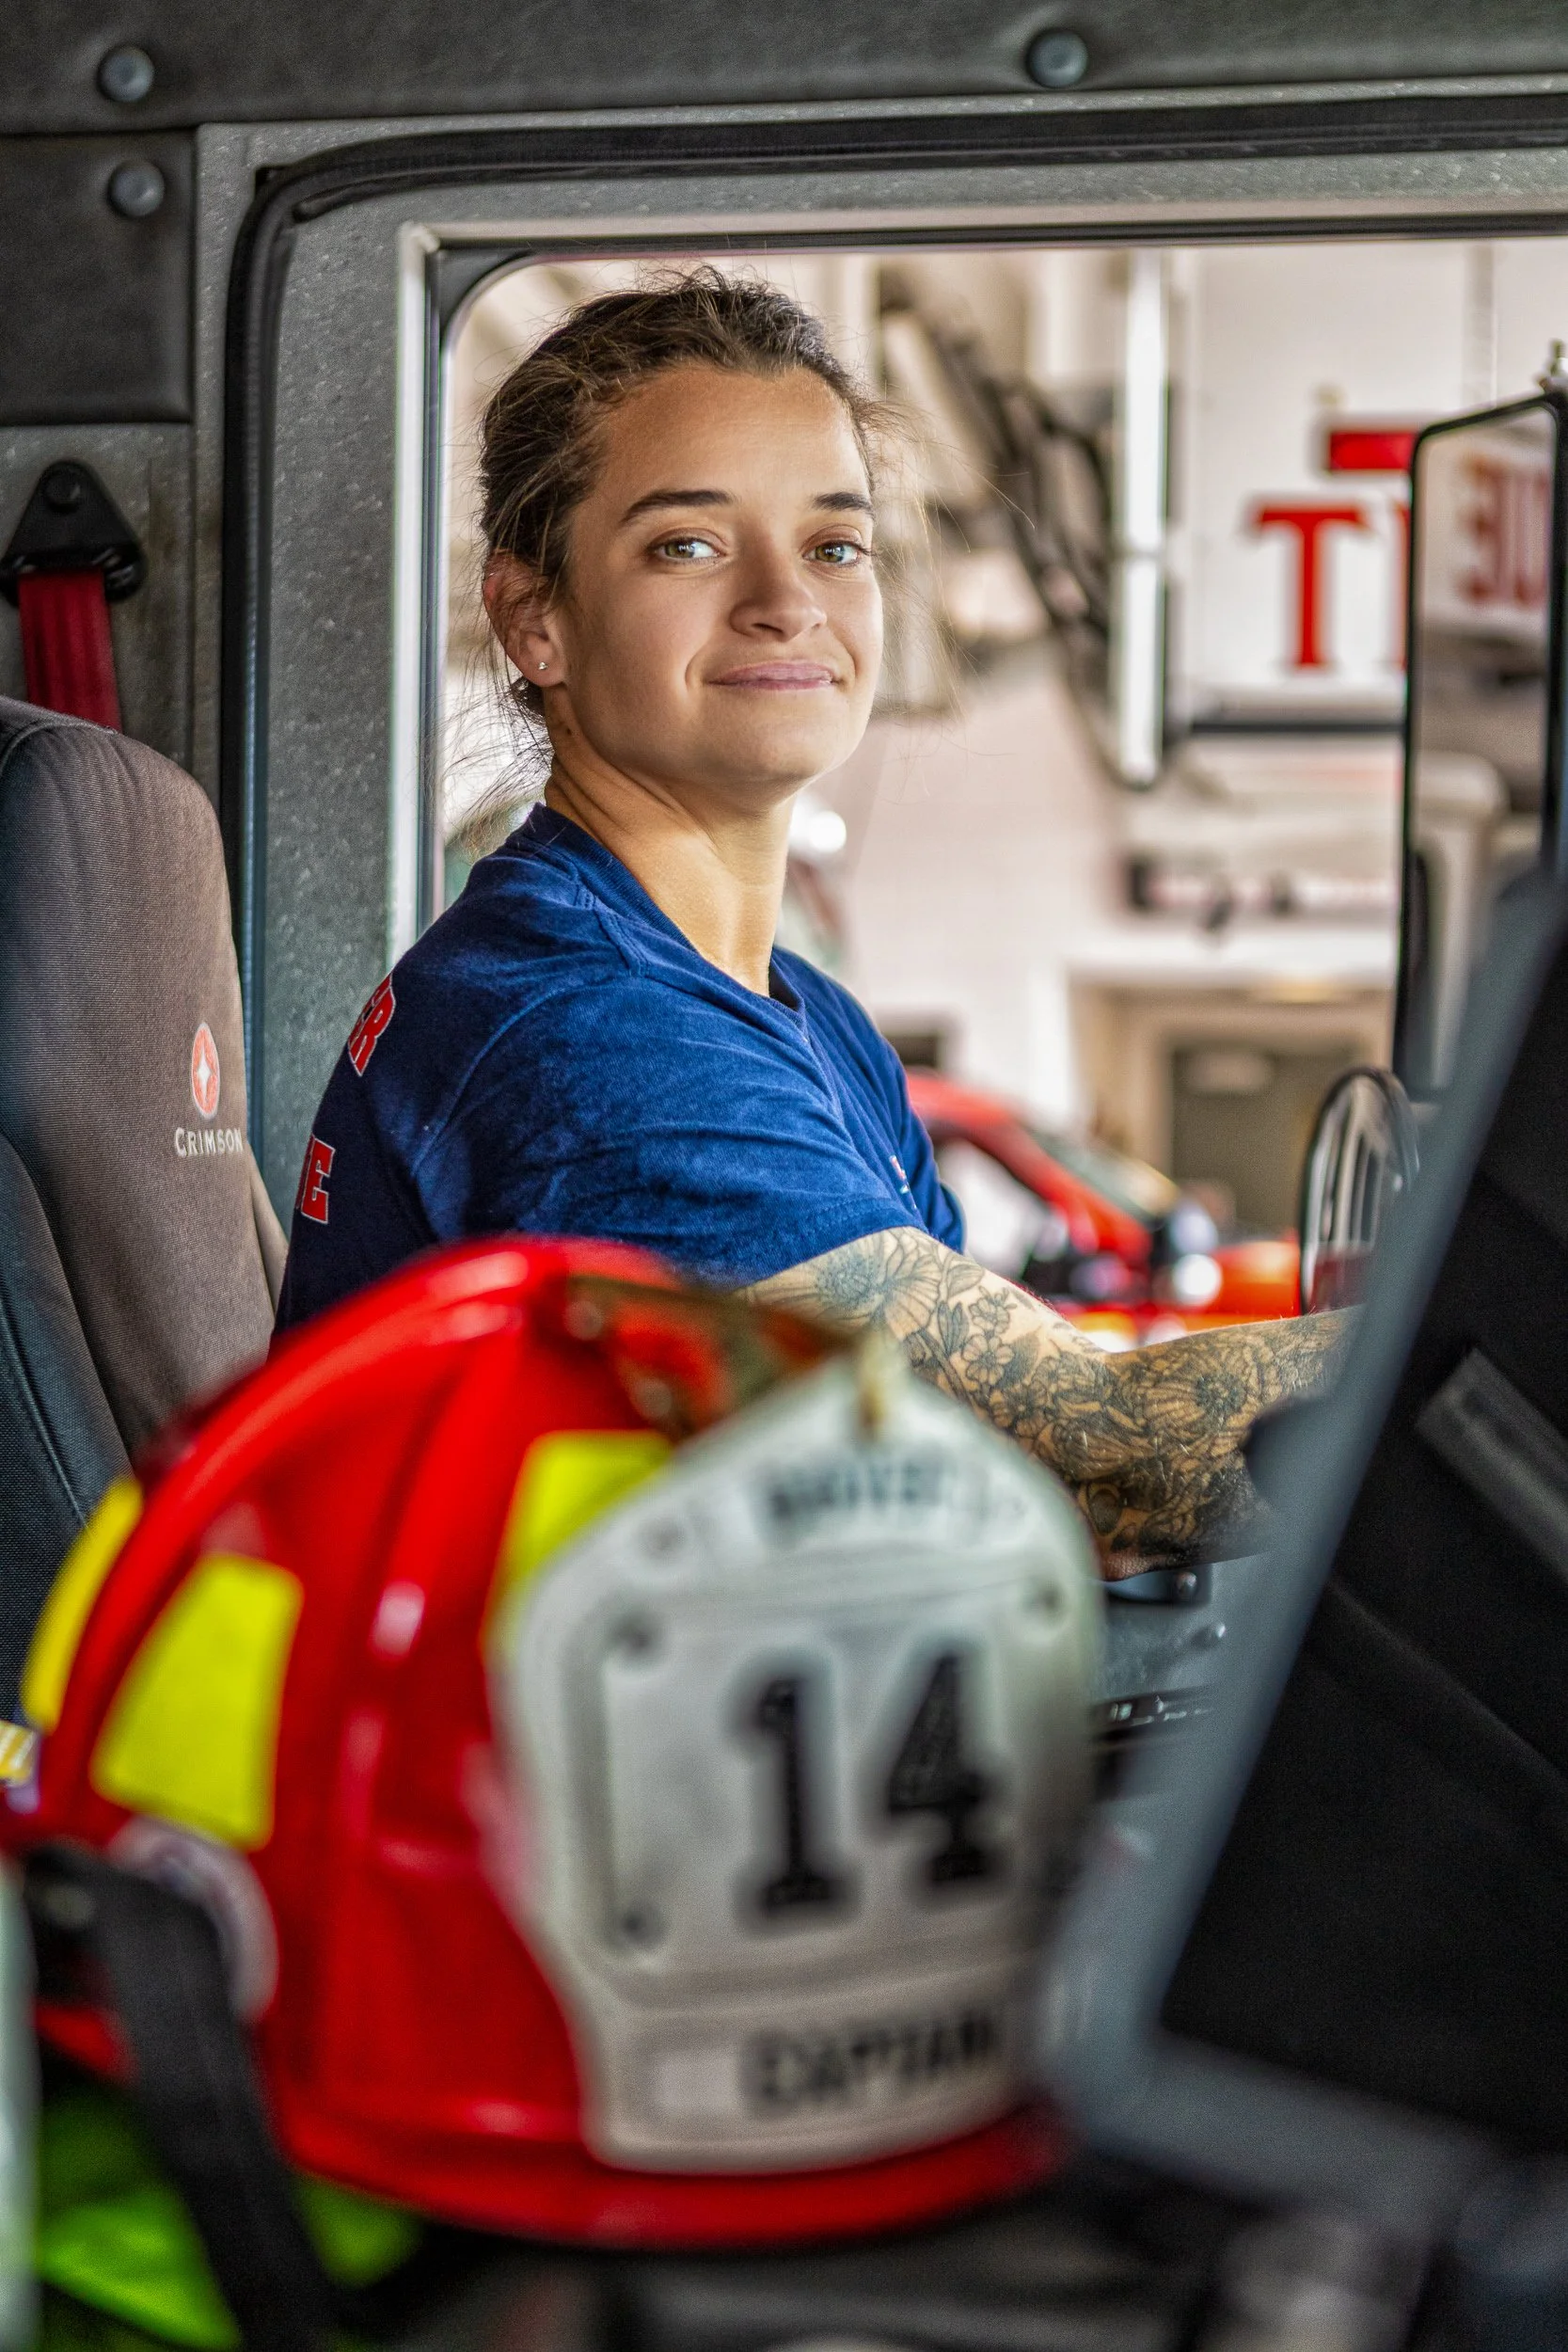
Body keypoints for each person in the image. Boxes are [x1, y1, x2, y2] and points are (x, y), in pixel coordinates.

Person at [275, 268, 1346, 1576]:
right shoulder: (585, 1027)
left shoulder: (803, 1016)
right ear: (532, 616)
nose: (788, 601)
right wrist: (1487, 1324)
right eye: (689, 543)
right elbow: (1089, 1453)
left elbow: (992, 1486)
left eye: (835, 544)